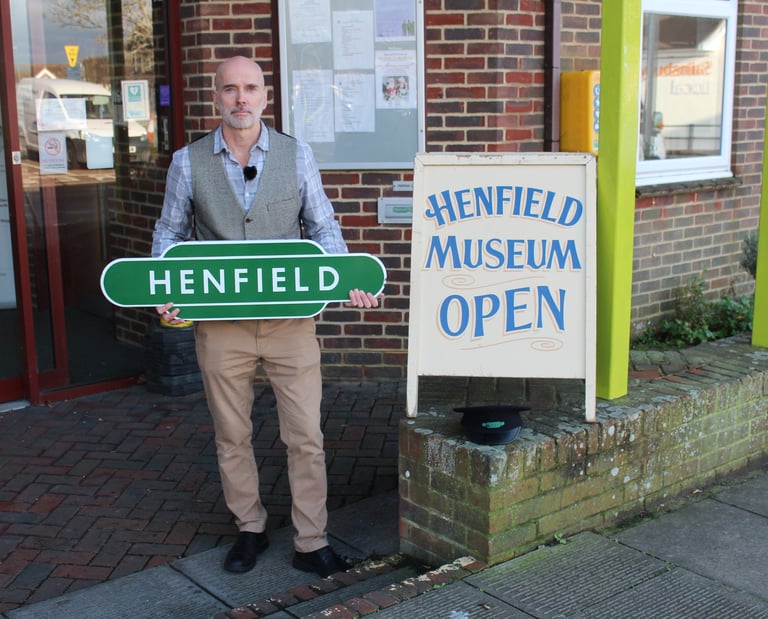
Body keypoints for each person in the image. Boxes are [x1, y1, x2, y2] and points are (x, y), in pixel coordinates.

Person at [151, 56, 379, 578]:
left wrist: (344, 277)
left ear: (265, 96)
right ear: (216, 97)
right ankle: (249, 528)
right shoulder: (187, 162)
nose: (241, 99)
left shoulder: (296, 156)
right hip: (221, 324)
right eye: (230, 89)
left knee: (305, 434)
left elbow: (322, 225)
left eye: (250, 88)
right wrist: (164, 283)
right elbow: (169, 233)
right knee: (231, 433)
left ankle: (311, 540)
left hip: (288, 323)